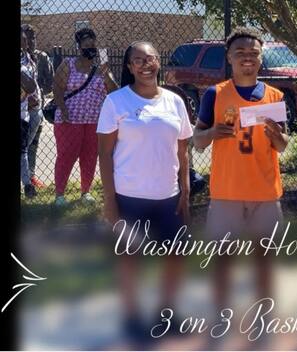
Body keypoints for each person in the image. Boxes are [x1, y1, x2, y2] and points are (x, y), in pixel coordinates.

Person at [192, 27, 289, 348]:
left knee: (265, 258)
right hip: (227, 191)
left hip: (265, 191)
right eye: (240, 54)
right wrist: (212, 134)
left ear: (261, 58)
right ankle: (221, 314)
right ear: (229, 58)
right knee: (224, 258)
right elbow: (198, 140)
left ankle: (264, 316)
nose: (247, 59)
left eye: (253, 54)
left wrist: (276, 135)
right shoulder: (215, 94)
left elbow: (283, 144)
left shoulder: (275, 96)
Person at [97, 41, 193, 347]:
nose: (146, 64)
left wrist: (185, 191)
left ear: (158, 63)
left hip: (168, 196)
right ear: (128, 67)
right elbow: (104, 154)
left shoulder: (175, 101)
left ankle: (167, 315)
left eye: (151, 58)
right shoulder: (116, 102)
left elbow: (183, 150)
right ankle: (131, 318)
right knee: (130, 259)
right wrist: (110, 201)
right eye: (138, 60)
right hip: (130, 197)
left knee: (175, 257)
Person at [53, 27, 118, 206]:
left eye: (93, 44)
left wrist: (106, 73)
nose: (91, 47)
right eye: (86, 44)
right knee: (66, 155)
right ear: (79, 47)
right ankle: (59, 194)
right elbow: (57, 88)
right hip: (69, 120)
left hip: (94, 121)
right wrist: (63, 109)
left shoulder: (100, 69)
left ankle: (85, 192)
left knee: (89, 156)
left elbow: (114, 91)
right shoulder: (68, 64)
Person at [22, 24, 54, 189]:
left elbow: (50, 83)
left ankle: (31, 176)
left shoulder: (41, 57)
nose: (30, 41)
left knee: (32, 143)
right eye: (27, 38)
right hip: (22, 107)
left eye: (33, 37)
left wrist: (37, 89)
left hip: (36, 106)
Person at [21, 26, 39, 199]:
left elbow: (32, 84)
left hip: (26, 113)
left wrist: (30, 96)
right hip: (25, 109)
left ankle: (28, 184)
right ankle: (27, 184)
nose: (26, 43)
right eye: (24, 40)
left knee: (24, 149)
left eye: (27, 40)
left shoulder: (29, 59)